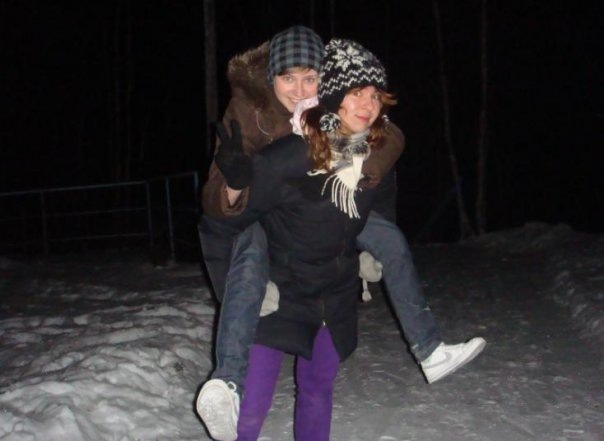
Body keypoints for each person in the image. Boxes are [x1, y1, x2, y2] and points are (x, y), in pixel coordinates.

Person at [197, 27, 486, 441]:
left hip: (331, 288)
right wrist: (236, 186)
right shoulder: (255, 121)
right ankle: (227, 381)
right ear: (271, 79)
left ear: (326, 83)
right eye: (288, 78)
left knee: (318, 390)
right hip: (276, 275)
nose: (300, 90)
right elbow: (219, 218)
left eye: (310, 78)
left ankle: (429, 348)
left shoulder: (360, 143)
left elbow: (380, 188)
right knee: (252, 403)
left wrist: (368, 247)